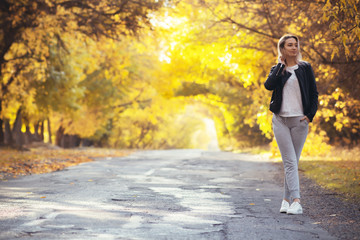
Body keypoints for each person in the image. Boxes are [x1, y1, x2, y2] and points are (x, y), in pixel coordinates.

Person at [264, 34, 318, 215]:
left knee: (292, 162)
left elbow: (313, 94)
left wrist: (310, 115)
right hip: (280, 120)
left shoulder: (305, 68)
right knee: (289, 161)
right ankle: (297, 201)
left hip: (299, 121)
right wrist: (280, 65)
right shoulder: (277, 70)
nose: (294, 48)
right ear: (283, 49)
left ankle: (286, 200)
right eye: (290, 45)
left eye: (296, 45)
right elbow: (268, 86)